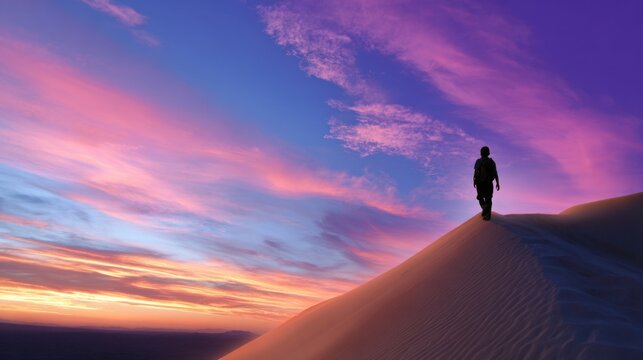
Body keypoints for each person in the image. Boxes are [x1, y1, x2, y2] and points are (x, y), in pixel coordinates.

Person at [473, 146, 499, 220]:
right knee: (484, 198)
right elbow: (475, 172)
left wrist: (497, 182)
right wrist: (497, 182)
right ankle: (486, 211)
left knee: (486, 198)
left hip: (483, 182)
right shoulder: (487, 161)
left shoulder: (489, 161)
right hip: (483, 183)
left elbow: (495, 172)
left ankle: (486, 213)